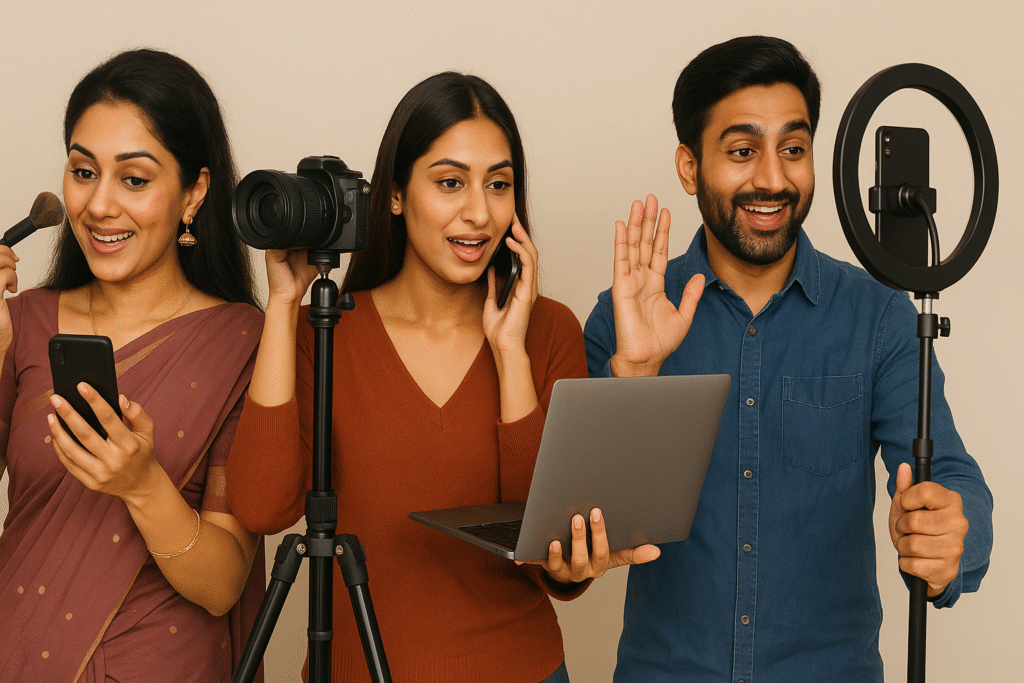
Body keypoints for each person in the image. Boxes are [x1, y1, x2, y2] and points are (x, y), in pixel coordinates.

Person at [584, 36, 993, 682]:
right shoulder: (621, 316)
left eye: (793, 149)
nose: (773, 178)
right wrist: (635, 374)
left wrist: (952, 536)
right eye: (743, 151)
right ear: (689, 168)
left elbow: (946, 472)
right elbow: (590, 531)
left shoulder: (879, 317)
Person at [225, 71, 656, 683]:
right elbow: (262, 506)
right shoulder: (326, 333)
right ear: (396, 195)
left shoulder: (548, 329)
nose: (478, 213)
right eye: (450, 182)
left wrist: (510, 355)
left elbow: (550, 550)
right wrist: (283, 305)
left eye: (498, 185)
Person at [0, 49, 266, 682]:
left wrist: (142, 485)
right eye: (83, 171)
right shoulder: (27, 321)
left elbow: (224, 583)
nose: (99, 205)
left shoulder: (241, 343)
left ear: (194, 193)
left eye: (135, 179)